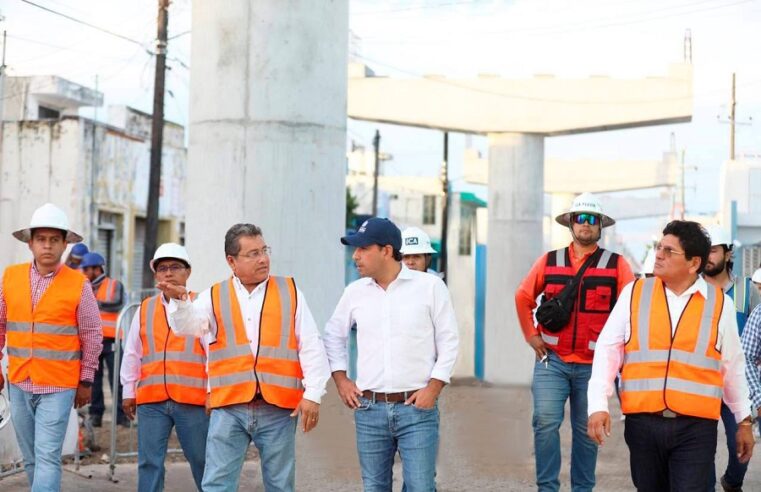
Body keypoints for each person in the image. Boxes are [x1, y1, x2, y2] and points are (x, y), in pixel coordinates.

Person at [157, 223, 330, 492]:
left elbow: (310, 344)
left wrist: (313, 394)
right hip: (230, 407)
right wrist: (179, 302)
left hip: (278, 408)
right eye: (252, 254)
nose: (263, 259)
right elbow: (187, 326)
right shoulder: (214, 295)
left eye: (264, 250)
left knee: (280, 485)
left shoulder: (290, 291)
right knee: (217, 485)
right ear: (231, 261)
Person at [587, 220, 755, 492]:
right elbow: (608, 349)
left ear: (693, 262)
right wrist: (598, 405)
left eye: (669, 250)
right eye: (659, 247)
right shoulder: (634, 293)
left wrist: (743, 421)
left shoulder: (720, 303)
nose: (659, 254)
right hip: (643, 424)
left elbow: (733, 367)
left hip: (696, 428)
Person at [324, 217, 459, 491]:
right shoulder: (354, 293)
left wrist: (433, 388)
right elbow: (332, 336)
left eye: (363, 249)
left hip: (416, 410)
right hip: (369, 410)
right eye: (355, 250)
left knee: (421, 487)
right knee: (374, 487)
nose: (356, 256)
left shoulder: (430, 288)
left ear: (386, 250)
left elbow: (449, 341)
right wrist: (341, 380)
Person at [514, 192, 633, 492]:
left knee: (587, 431)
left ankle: (582, 489)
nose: (585, 225)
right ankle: (547, 488)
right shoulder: (549, 261)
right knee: (544, 423)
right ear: (570, 223)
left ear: (600, 226)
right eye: (580, 218)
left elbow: (632, 310)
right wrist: (531, 335)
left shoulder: (617, 265)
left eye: (592, 220)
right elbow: (523, 297)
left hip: (593, 368)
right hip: (551, 361)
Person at [0, 203, 102, 491]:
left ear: (64, 244)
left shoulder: (78, 285)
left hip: (58, 386)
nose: (48, 246)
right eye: (42, 239)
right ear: (30, 243)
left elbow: (92, 334)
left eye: (54, 240)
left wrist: (86, 380)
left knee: (46, 456)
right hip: (19, 381)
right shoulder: (10, 277)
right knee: (31, 457)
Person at [120, 243, 208, 492]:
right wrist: (128, 391)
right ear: (156, 274)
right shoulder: (145, 309)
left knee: (202, 460)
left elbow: (213, 354)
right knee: (149, 463)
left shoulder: (202, 305)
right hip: (152, 400)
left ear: (187, 272)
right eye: (162, 268)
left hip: (192, 400)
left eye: (175, 267)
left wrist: (212, 392)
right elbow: (133, 351)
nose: (168, 273)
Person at [703, 226, 761, 491]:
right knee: (700, 448)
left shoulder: (747, 291)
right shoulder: (694, 290)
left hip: (733, 383)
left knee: (739, 444)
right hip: (699, 382)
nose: (707, 257)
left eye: (713, 250)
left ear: (728, 254)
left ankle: (732, 481)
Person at [79, 251, 128, 427]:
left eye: (86, 269)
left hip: (112, 340)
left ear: (96, 268)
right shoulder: (84, 286)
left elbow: (118, 302)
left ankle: (121, 416)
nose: (83, 272)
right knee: (94, 380)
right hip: (92, 341)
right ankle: (96, 414)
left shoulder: (114, 285)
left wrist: (92, 303)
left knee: (117, 379)